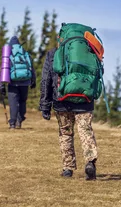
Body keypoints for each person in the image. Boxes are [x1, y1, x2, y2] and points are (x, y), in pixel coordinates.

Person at [39, 46, 99, 180]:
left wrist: (45, 105)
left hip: (61, 100)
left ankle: (68, 168)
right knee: (85, 130)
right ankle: (90, 162)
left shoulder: (53, 54)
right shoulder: (87, 52)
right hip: (85, 100)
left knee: (65, 132)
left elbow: (46, 80)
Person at [0, 36, 36, 129]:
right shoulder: (25, 53)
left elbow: (4, 70)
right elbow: (32, 68)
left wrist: (1, 85)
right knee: (22, 101)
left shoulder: (8, 53)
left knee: (13, 103)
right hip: (25, 81)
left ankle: (12, 123)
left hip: (12, 82)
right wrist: (33, 81)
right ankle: (19, 121)